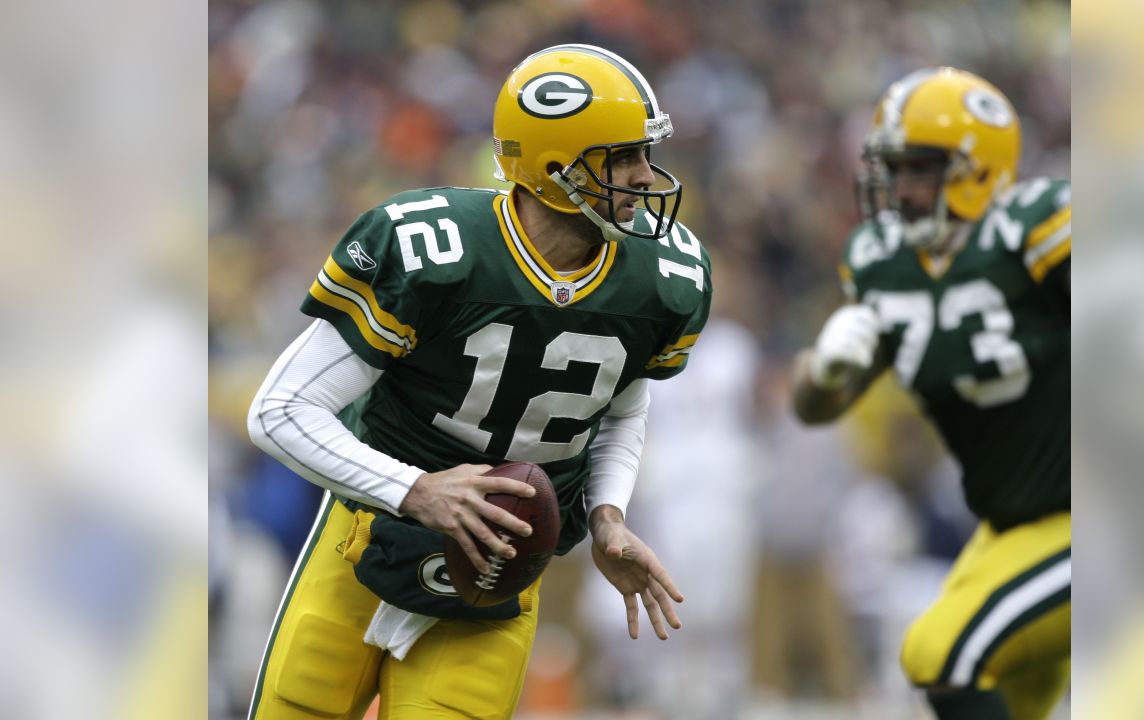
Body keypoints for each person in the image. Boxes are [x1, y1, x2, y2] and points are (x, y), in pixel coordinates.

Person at [244, 43, 712, 719]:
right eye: (623, 157)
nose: (646, 176)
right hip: (361, 544)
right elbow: (280, 410)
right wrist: (417, 490)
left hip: (498, 581)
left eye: (646, 154)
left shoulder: (663, 278)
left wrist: (608, 515)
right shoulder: (438, 250)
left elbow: (621, 410)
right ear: (557, 165)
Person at [792, 67, 1070, 720]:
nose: (905, 190)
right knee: (994, 690)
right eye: (897, 170)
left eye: (924, 170)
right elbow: (816, 410)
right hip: (1010, 525)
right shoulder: (880, 263)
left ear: (980, 170)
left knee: (941, 652)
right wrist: (825, 370)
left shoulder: (1037, 229)